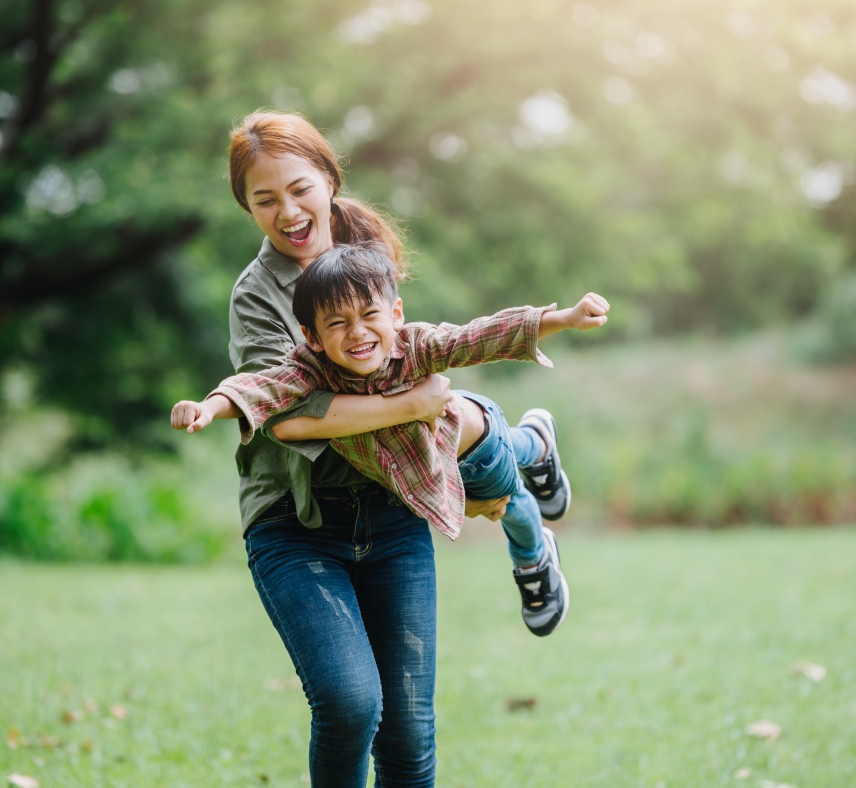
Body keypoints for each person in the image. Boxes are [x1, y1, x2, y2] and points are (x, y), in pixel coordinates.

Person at [177, 108, 567, 787]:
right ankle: (526, 452)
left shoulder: (365, 252)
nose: (288, 211)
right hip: (298, 526)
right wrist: (409, 405)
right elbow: (293, 407)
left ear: (328, 178)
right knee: (351, 704)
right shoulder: (256, 297)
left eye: (299, 188)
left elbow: (435, 346)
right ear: (246, 208)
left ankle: (526, 459)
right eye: (264, 200)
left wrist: (547, 323)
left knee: (410, 736)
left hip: (390, 513)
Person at [172, 245, 610, 637]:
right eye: (337, 323)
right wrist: (209, 407)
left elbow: (480, 336)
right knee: (516, 462)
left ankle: (534, 559)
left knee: (509, 504)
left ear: (395, 314)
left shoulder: (416, 346)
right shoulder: (310, 371)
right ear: (312, 337)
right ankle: (537, 441)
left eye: (369, 316)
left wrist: (565, 319)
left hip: (472, 446)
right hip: (438, 457)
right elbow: (263, 387)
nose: (357, 332)